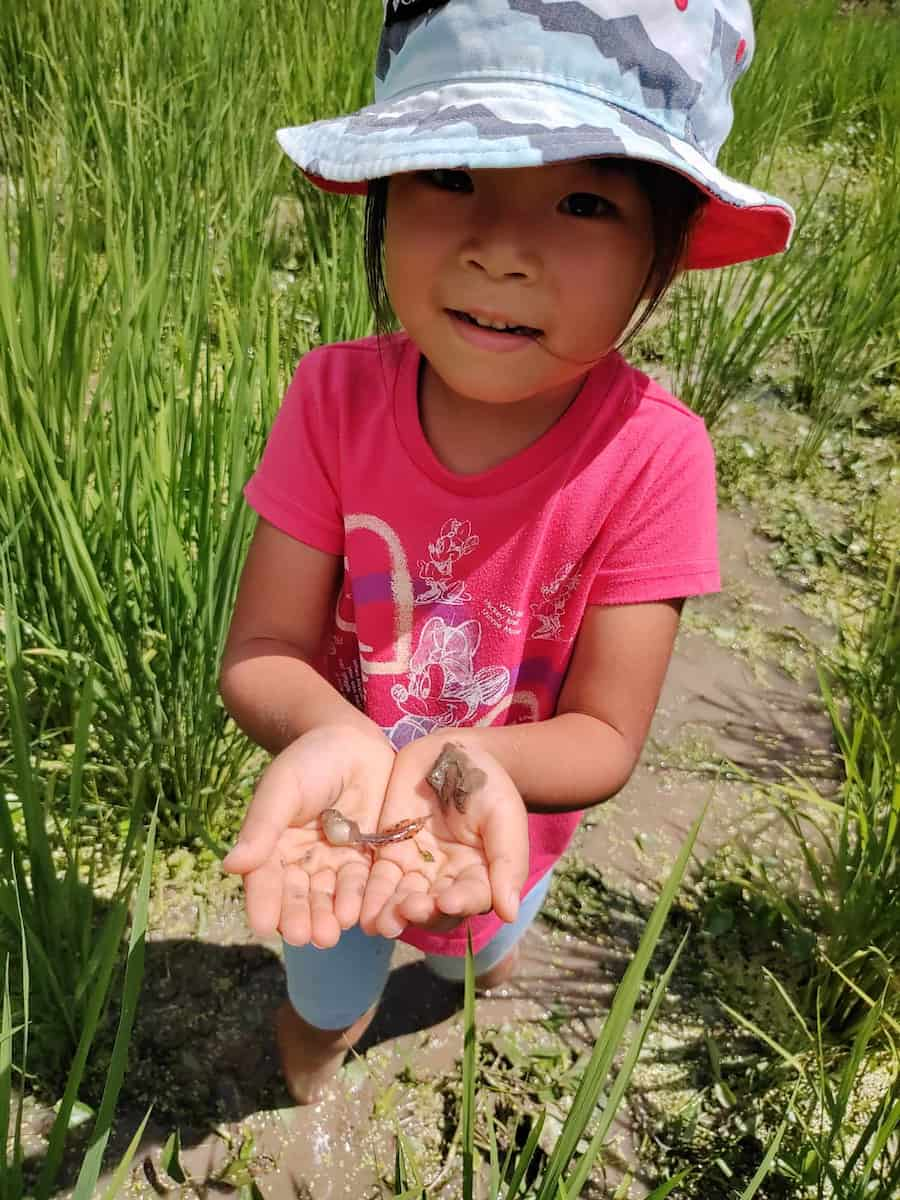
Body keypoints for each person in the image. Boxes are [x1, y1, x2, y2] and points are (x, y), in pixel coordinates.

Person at [220, 0, 794, 1104]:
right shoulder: (332, 397)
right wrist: (349, 748)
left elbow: (605, 733)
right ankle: (300, 1098)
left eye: (585, 201)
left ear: (662, 259)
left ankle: (482, 972)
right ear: (385, 197)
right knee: (325, 1002)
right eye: (451, 174)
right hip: (333, 824)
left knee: (482, 946)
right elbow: (264, 649)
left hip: (499, 822)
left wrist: (471, 767)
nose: (501, 247)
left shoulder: (656, 458)